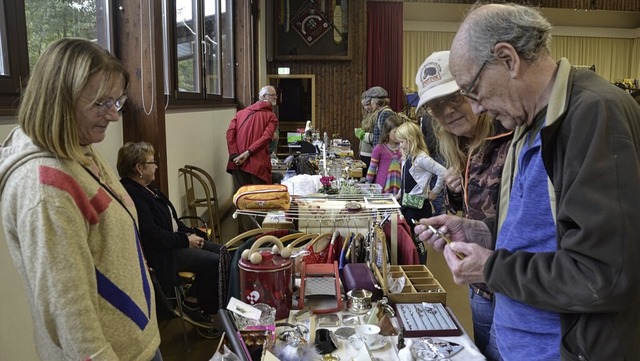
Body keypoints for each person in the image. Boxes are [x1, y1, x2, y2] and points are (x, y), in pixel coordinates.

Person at [415, 3, 640, 360]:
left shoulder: (595, 113)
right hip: (515, 341)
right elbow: (542, 231)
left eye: (472, 90)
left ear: (508, 59)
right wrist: (483, 232)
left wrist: (490, 267)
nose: (475, 109)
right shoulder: (528, 123)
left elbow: (603, 275)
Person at [0, 39, 161, 361]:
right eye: (102, 103)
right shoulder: (44, 188)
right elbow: (67, 309)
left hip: (135, 343)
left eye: (117, 101)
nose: (114, 116)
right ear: (59, 99)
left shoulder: (81, 151)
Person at [415, 50, 513, 359]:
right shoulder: (459, 145)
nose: (446, 113)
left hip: (516, 284)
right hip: (479, 283)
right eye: (435, 108)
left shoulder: (512, 134)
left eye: (453, 98)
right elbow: (469, 209)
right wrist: (456, 193)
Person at [117, 142, 221, 334]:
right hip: (161, 253)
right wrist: (185, 240)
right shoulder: (133, 193)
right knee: (215, 262)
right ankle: (201, 308)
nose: (156, 166)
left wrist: (191, 233)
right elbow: (151, 236)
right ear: (139, 167)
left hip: (174, 242)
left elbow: (172, 221)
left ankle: (195, 301)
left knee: (223, 251)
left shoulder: (150, 189)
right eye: (152, 162)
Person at [226, 85, 279, 233]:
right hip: (257, 164)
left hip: (237, 164)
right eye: (271, 95)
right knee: (259, 201)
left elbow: (230, 133)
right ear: (262, 97)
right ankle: (258, 235)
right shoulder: (271, 117)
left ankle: (244, 235)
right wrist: (247, 153)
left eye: (275, 95)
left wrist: (235, 155)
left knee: (242, 200)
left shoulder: (241, 113)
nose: (275, 98)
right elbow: (266, 138)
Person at [394, 121, 446, 233]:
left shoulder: (422, 159)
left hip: (417, 208)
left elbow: (442, 172)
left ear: (410, 140)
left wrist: (435, 191)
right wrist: (398, 195)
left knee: (415, 239)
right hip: (406, 204)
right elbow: (406, 181)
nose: (400, 145)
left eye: (402, 142)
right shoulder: (407, 156)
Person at [365, 114, 403, 195]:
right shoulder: (379, 149)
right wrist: (367, 186)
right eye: (395, 132)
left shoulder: (403, 148)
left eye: (400, 132)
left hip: (399, 188)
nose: (398, 135)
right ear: (388, 132)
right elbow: (372, 169)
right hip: (382, 187)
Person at [354, 92, 376, 169]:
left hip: (370, 154)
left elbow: (376, 137)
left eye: (368, 104)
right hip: (364, 152)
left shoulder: (376, 116)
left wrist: (362, 135)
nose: (366, 107)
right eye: (364, 105)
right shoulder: (367, 114)